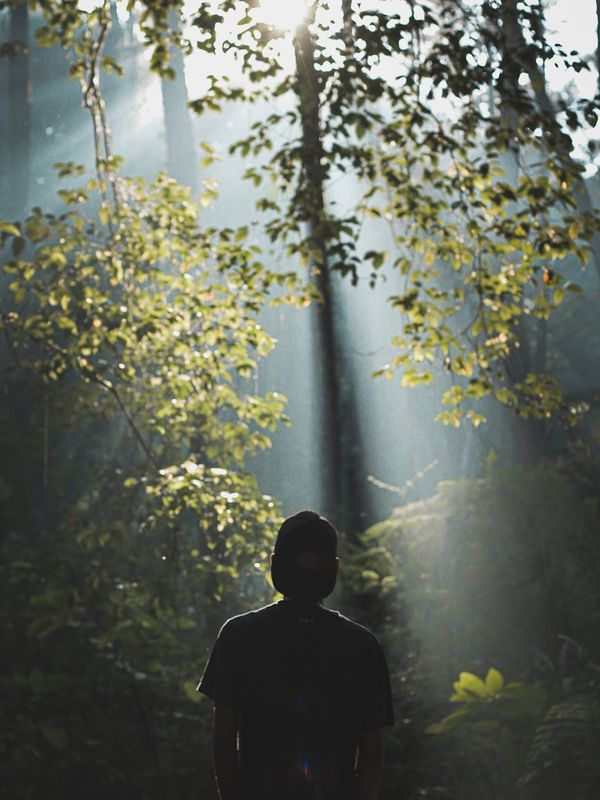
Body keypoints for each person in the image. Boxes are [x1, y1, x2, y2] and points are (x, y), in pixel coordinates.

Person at [197, 509, 394, 800]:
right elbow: (372, 755)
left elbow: (224, 743)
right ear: (334, 569)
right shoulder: (362, 646)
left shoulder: (238, 635)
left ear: (275, 565)